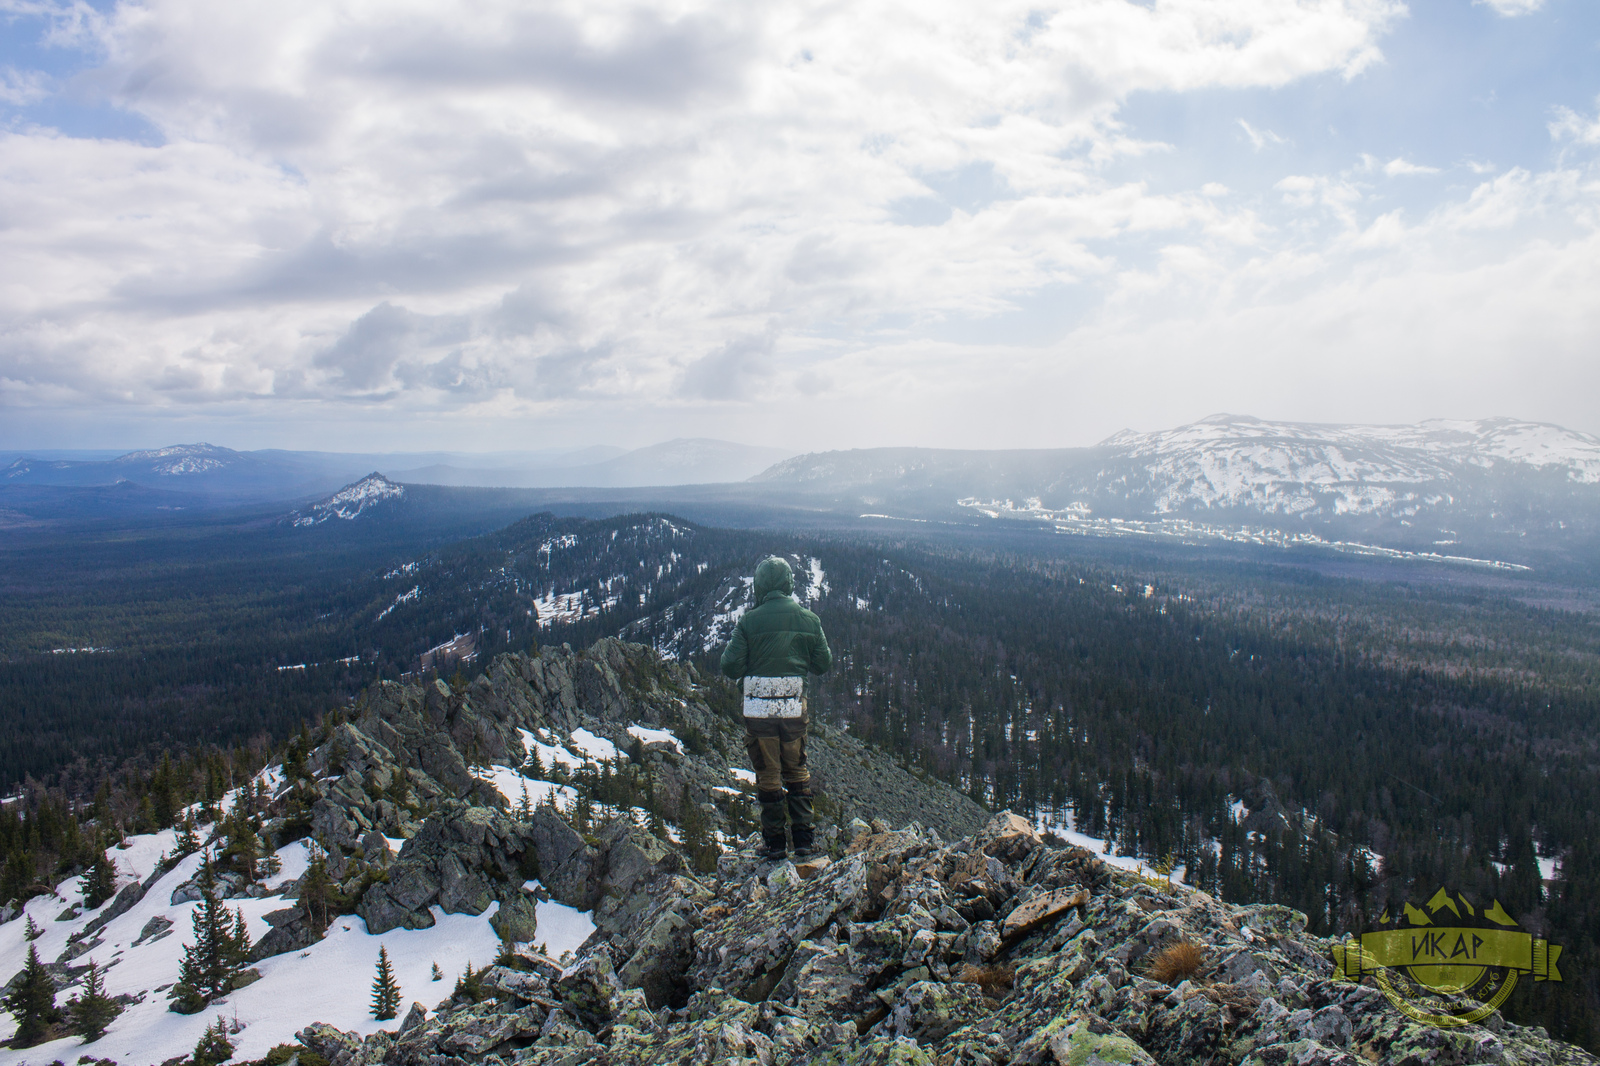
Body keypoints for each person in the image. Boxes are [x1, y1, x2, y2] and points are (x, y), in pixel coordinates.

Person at [719, 555, 832, 860]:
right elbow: (823, 663)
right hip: (794, 707)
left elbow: (729, 665)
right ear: (788, 584)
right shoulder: (809, 620)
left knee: (768, 773)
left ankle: (774, 844)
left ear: (760, 586)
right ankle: (804, 840)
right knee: (796, 768)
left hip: (758, 710)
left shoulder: (748, 621)